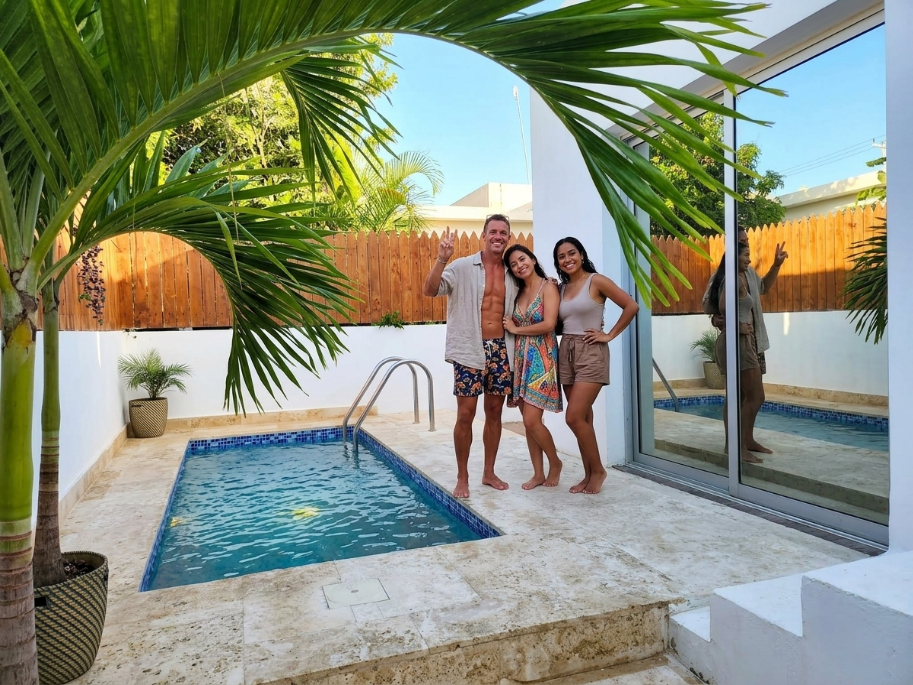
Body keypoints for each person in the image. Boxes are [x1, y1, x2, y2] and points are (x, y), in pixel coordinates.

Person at [423, 216, 516, 498]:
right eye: (493, 232)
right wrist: (441, 259)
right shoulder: (462, 266)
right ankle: (462, 476)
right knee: (465, 414)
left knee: (495, 413)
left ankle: (488, 472)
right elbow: (429, 291)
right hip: (468, 349)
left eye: (503, 232)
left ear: (509, 237)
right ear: (483, 235)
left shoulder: (513, 272)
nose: (497, 236)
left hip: (501, 348)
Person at [553, 238, 639, 494]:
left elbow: (631, 305)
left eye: (572, 253)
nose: (567, 259)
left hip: (591, 351)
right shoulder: (561, 288)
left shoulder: (596, 280)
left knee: (574, 417)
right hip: (566, 352)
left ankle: (599, 470)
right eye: (561, 256)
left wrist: (609, 334)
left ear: (581, 254)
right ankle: (588, 473)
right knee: (585, 418)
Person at [702, 230, 788, 454]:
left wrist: (776, 265)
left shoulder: (747, 271)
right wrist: (721, 320)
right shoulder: (722, 274)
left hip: (754, 340)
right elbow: (710, 304)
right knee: (739, 395)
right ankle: (734, 445)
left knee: (748, 395)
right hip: (738, 340)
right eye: (741, 242)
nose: (745, 244)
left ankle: (746, 441)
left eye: (746, 241)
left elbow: (763, 288)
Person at [500, 245, 563, 490]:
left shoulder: (548, 286)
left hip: (542, 359)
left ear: (533, 259)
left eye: (522, 259)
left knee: (532, 420)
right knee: (528, 421)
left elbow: (549, 324)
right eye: (514, 264)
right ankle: (538, 473)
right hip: (520, 360)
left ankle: (555, 463)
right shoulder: (517, 291)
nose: (519, 266)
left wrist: (516, 330)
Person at [708, 243, 765, 463]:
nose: (749, 260)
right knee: (756, 396)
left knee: (742, 397)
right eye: (746, 255)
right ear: (735, 257)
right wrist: (737, 326)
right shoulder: (732, 279)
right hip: (736, 343)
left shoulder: (739, 278)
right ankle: (736, 447)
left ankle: (738, 444)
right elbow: (723, 307)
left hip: (741, 342)